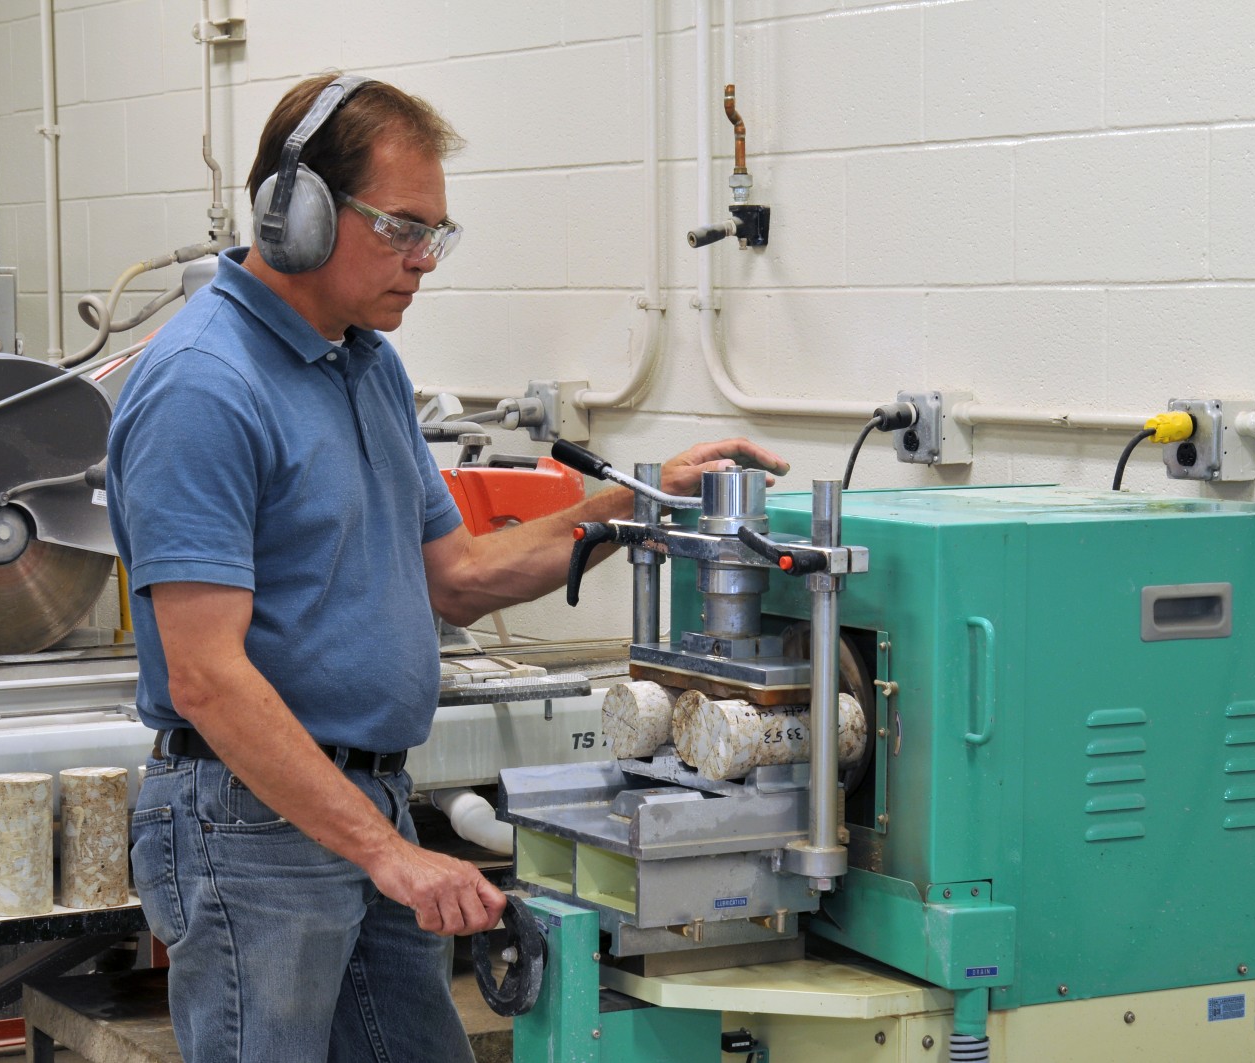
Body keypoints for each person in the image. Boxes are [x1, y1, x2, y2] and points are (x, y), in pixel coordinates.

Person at [106, 72, 790, 1063]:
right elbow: (206, 675)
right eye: (401, 228)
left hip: (368, 801)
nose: (424, 259)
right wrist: (388, 854)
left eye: (437, 233)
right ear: (295, 212)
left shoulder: (366, 364)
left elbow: (460, 573)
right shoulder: (204, 385)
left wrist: (636, 504)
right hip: (251, 827)